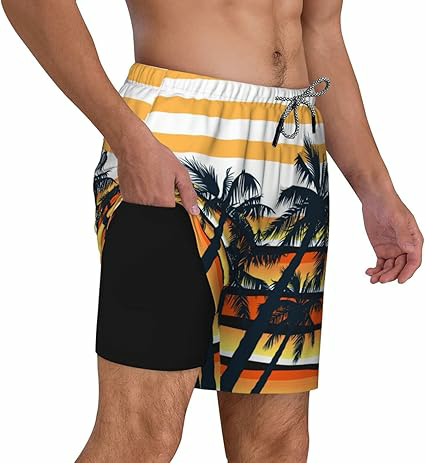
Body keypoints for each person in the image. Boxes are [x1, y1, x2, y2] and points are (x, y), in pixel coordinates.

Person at [2, 0, 422, 462]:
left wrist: (376, 189)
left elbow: (319, 29)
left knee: (277, 445)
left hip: (293, 155)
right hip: (174, 145)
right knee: (141, 436)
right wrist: (125, 136)